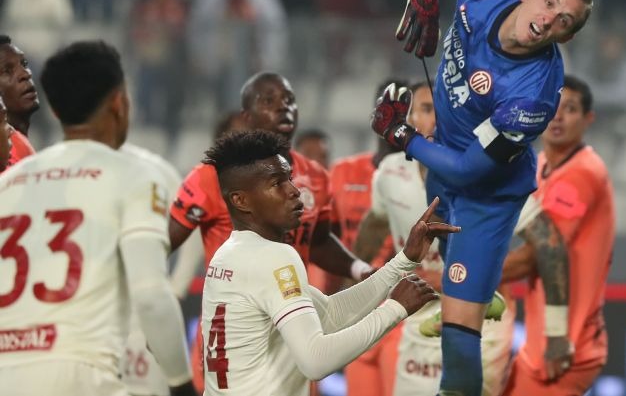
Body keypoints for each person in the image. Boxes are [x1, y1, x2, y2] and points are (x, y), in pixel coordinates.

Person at [375, 0, 594, 396]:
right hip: (445, 162)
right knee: (452, 267)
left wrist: (404, 137)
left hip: (486, 198)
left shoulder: (533, 95)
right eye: (550, 2)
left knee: (457, 340)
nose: (550, 18)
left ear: (566, 37)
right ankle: (478, 289)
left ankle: (471, 298)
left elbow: (470, 171)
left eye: (565, 21)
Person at [0, 41, 195, 396]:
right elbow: (151, 296)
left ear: (55, 111)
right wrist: (182, 385)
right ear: (119, 102)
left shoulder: (10, 182)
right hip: (84, 373)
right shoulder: (136, 174)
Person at [200, 129, 449, 396]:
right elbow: (315, 361)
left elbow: (329, 314)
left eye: (289, 178)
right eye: (276, 184)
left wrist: (404, 261)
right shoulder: (273, 257)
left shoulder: (229, 254)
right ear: (240, 200)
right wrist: (395, 309)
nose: (294, 191)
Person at [169, 71, 373, 389]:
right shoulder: (213, 176)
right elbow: (165, 242)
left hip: (294, 325)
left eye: (289, 100)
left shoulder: (316, 177)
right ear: (247, 116)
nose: (283, 107)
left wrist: (360, 269)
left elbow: (318, 241)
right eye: (269, 101)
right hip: (235, 334)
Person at [359, 80, 515, 396]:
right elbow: (375, 224)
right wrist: (352, 278)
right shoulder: (389, 173)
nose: (437, 118)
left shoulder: (484, 173)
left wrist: (457, 279)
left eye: (444, 109)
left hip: (476, 323)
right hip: (415, 326)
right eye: (427, 109)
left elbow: (541, 246)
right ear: (410, 117)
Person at [501, 75, 614, 395]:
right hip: (542, 339)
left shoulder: (582, 172)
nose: (558, 116)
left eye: (571, 109)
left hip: (567, 343)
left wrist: (460, 277)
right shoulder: (539, 166)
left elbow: (541, 253)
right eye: (553, 107)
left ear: (588, 119)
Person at [326, 97, 403, 396]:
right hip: (357, 309)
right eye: (390, 107)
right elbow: (323, 243)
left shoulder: (425, 175)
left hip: (403, 308)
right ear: (376, 114)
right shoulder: (341, 172)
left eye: (406, 111)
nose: (397, 116)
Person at [121, 142, 205, 396]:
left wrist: (177, 288)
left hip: (138, 316)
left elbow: (192, 233)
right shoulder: (153, 170)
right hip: (119, 314)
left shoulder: (153, 169)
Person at [0, 34, 42, 164]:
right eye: (7, 70)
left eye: (24, 64)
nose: (26, 73)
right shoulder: (4, 158)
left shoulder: (21, 147)